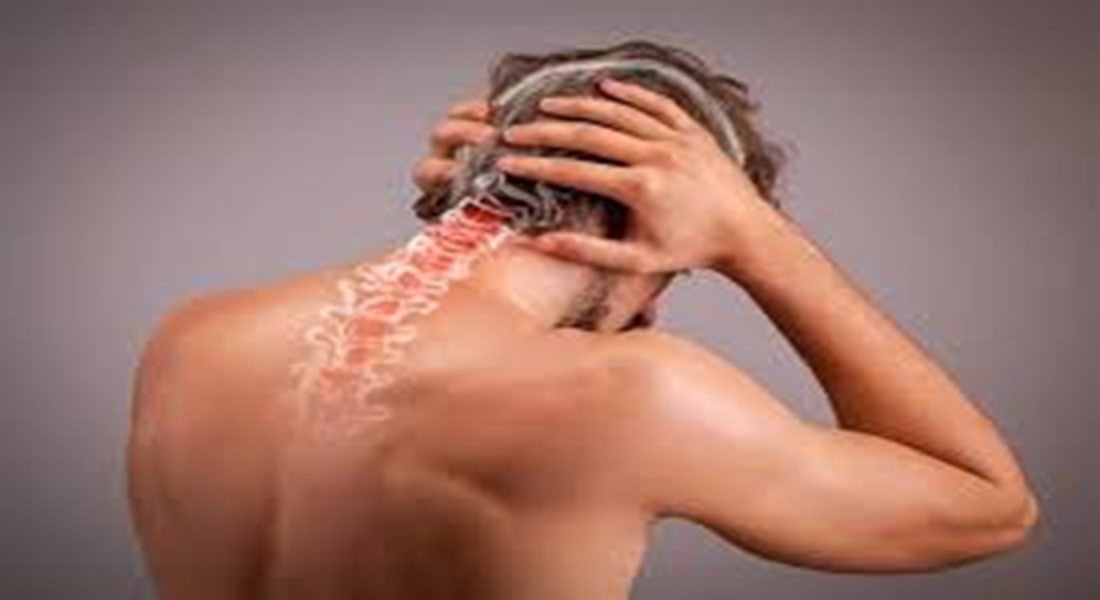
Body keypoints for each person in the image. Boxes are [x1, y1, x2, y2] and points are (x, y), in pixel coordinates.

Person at [127, 40, 1038, 599]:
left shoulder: (196, 338)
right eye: (675, 273)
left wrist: (467, 198)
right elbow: (989, 509)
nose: (653, 313)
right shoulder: (633, 397)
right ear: (649, 234)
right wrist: (761, 244)